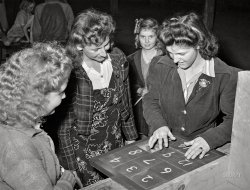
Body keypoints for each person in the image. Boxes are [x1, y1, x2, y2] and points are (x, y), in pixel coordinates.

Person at [58, 8, 138, 187]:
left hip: (115, 141)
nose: (103, 52)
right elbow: (64, 125)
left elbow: (126, 103)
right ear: (79, 45)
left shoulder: (118, 59)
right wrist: (70, 165)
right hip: (84, 149)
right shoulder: (72, 70)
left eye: (106, 44)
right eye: (96, 48)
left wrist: (131, 138)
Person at [143, 12, 239, 160]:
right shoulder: (160, 65)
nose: (175, 60)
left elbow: (234, 119)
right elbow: (151, 100)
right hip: (163, 142)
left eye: (182, 53)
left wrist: (210, 139)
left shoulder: (225, 75)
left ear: (199, 44)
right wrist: (158, 125)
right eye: (170, 53)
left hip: (200, 146)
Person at [0, 42, 81, 189]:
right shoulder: (20, 152)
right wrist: (66, 181)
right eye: (60, 92)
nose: (64, 97)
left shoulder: (18, 121)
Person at [127, 18, 164, 140]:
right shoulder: (131, 59)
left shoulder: (165, 58)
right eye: (143, 37)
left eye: (151, 37)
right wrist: (139, 90)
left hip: (160, 108)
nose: (147, 41)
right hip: (139, 109)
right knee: (142, 137)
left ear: (157, 37)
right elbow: (127, 82)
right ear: (138, 37)